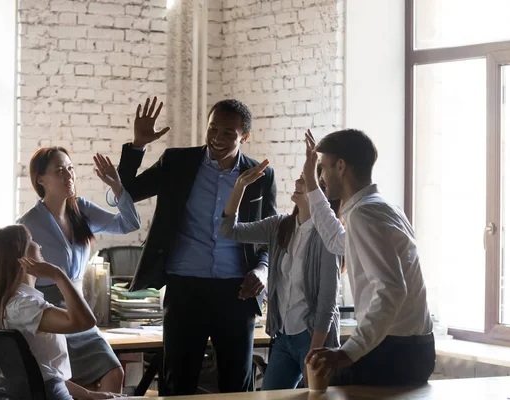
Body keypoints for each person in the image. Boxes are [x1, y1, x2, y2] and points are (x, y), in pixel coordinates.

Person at [100, 97, 276, 395]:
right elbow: (126, 193)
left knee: (237, 386)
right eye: (213, 129)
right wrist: (138, 146)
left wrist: (262, 269)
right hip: (184, 288)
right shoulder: (177, 162)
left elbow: (271, 235)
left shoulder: (260, 176)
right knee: (177, 383)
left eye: (228, 134)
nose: (217, 138)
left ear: (244, 137)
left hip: (237, 291)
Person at [302, 128, 435, 386]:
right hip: (411, 349)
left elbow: (393, 290)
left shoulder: (365, 214)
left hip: (394, 353)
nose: (322, 176)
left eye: (323, 167)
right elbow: (336, 240)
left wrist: (346, 353)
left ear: (341, 166)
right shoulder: (382, 208)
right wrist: (310, 180)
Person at [18, 147, 141, 394]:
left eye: (70, 169)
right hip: (50, 312)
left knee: (113, 370)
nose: (68, 176)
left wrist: (117, 187)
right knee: (76, 386)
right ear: (41, 179)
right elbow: (19, 276)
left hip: (79, 307)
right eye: (60, 170)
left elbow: (130, 223)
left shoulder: (81, 209)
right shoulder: (27, 224)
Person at [219, 161, 341, 390]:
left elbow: (328, 303)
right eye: (300, 177)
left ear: (320, 193)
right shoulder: (279, 226)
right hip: (283, 336)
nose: (297, 182)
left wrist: (314, 353)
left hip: (313, 338)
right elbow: (228, 230)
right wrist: (239, 187)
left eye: (305, 180)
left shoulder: (328, 237)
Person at [0, 225, 119, 399]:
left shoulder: (8, 304)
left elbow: (44, 373)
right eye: (31, 241)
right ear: (20, 258)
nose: (39, 246)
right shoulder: (23, 307)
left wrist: (88, 394)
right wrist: (57, 274)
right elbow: (84, 322)